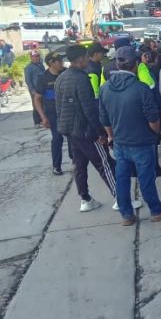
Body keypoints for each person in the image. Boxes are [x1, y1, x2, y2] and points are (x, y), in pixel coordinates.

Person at [99, 46, 161, 226]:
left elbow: (104, 117)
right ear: (135, 64)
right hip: (142, 141)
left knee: (122, 178)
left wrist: (111, 135)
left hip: (120, 142)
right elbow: (152, 117)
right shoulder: (140, 88)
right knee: (146, 178)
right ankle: (157, 210)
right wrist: (155, 132)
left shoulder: (105, 88)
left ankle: (127, 214)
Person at [54, 44, 117, 212]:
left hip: (70, 131)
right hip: (85, 131)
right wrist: (100, 132)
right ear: (82, 58)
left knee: (79, 165)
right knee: (106, 164)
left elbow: (58, 107)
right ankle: (121, 198)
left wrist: (64, 128)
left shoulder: (61, 77)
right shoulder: (81, 78)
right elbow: (88, 108)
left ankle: (85, 199)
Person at [32, 51, 67, 175]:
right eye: (59, 61)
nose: (62, 63)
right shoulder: (43, 78)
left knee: (75, 138)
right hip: (53, 114)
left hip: (68, 112)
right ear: (51, 63)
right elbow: (37, 98)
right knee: (57, 138)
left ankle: (76, 161)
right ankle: (56, 166)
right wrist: (43, 117)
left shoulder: (66, 73)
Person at [24, 50, 45, 128]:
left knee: (43, 105)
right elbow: (28, 80)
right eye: (35, 56)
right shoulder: (28, 68)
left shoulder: (41, 65)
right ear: (31, 57)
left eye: (38, 56)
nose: (36, 58)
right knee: (36, 105)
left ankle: (43, 120)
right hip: (34, 90)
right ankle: (37, 122)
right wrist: (33, 91)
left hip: (42, 88)